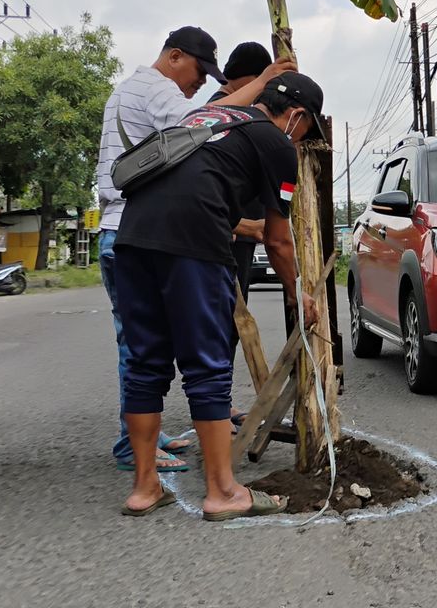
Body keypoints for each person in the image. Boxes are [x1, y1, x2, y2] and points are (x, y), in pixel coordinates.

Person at [113, 72, 324, 520]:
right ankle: (222, 491)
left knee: (144, 364)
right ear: (297, 116)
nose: (303, 143)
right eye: (307, 133)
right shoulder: (277, 143)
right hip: (192, 247)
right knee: (207, 366)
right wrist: (297, 293)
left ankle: (145, 487)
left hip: (131, 239)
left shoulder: (208, 115)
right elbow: (278, 239)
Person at [95, 27, 293, 473]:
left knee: (147, 348)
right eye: (199, 72)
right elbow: (201, 119)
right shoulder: (155, 88)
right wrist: (260, 84)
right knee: (147, 350)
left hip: (130, 230)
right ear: (174, 57)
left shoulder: (134, 89)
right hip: (135, 229)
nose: (200, 83)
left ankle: (147, 438)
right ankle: (134, 445)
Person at [208, 42, 272, 427]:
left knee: (231, 323)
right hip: (225, 234)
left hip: (245, 235)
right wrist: (240, 225)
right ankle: (213, 405)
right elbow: (205, 185)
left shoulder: (244, 107)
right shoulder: (216, 111)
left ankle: (221, 402)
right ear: (248, 78)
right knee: (218, 323)